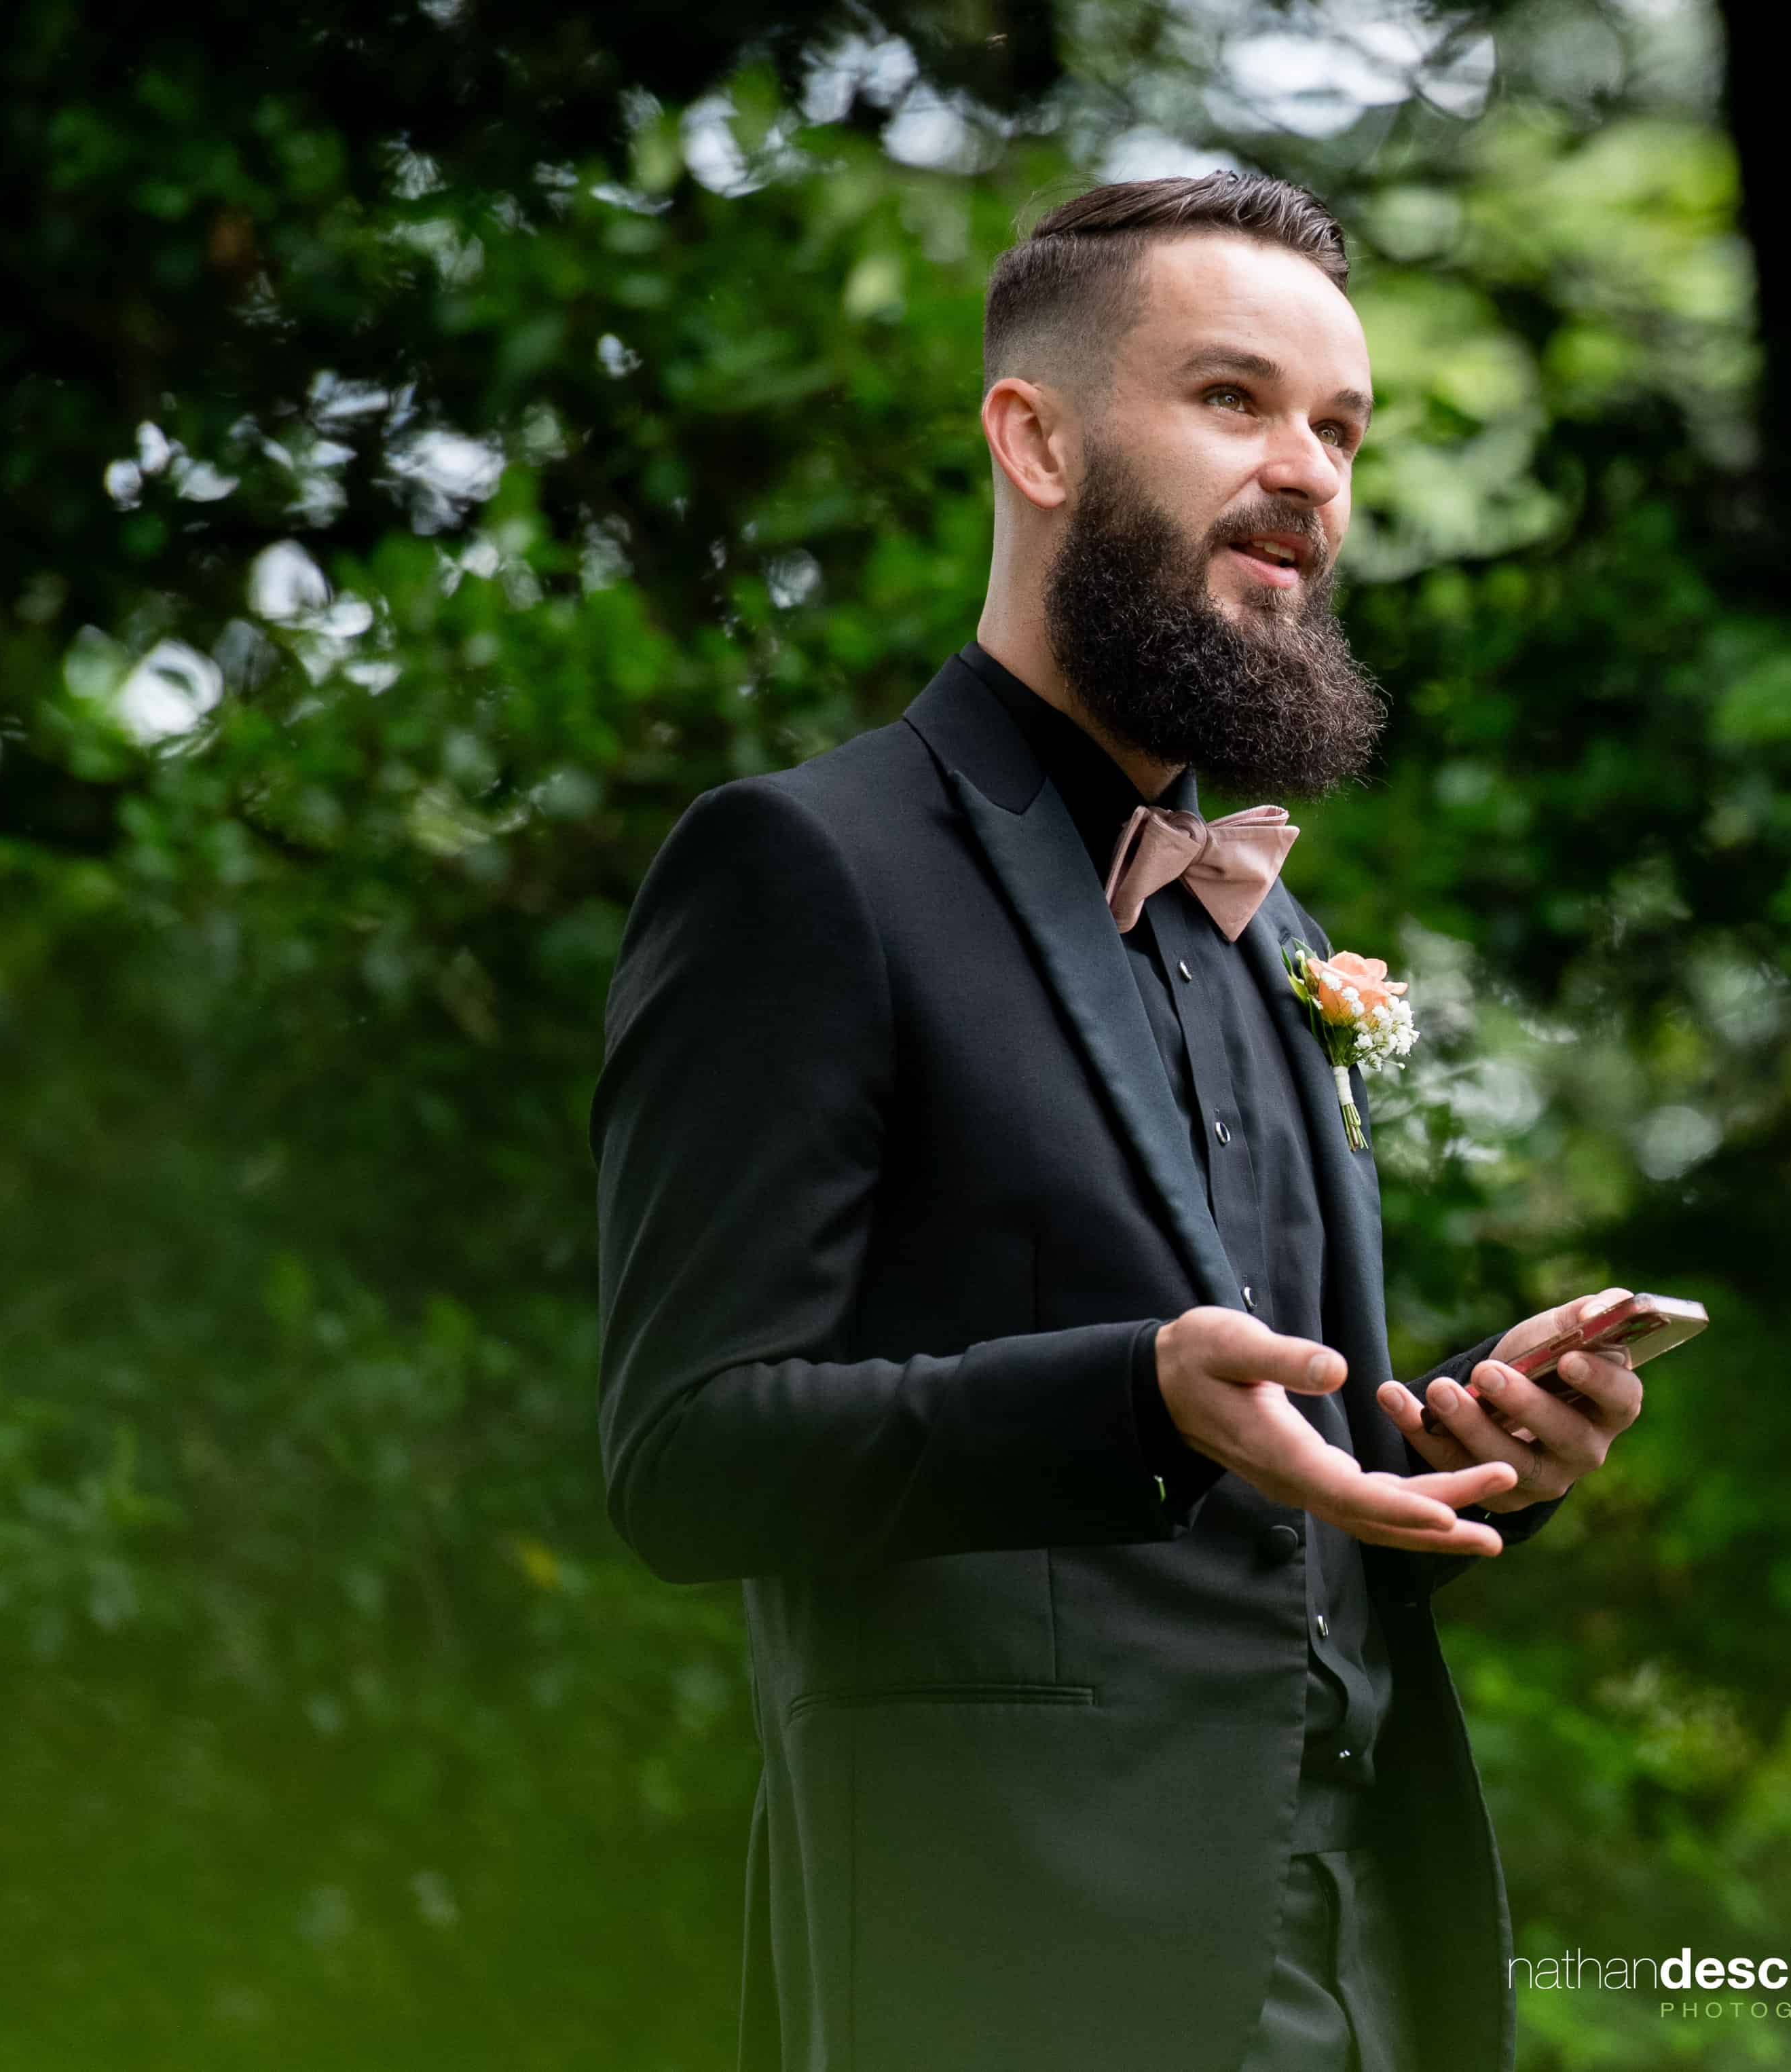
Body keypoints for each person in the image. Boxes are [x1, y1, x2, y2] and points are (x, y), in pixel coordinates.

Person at [591, 172, 1649, 2072]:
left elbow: (1276, 1494)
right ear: (1038, 439)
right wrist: (1130, 1400)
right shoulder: (803, 867)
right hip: (1010, 1971)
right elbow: (688, 1456)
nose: (1307, 472)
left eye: (1341, 428)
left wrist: (1465, 1449)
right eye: (1235, 400)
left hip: (1368, 1976)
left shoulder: (1282, 936)